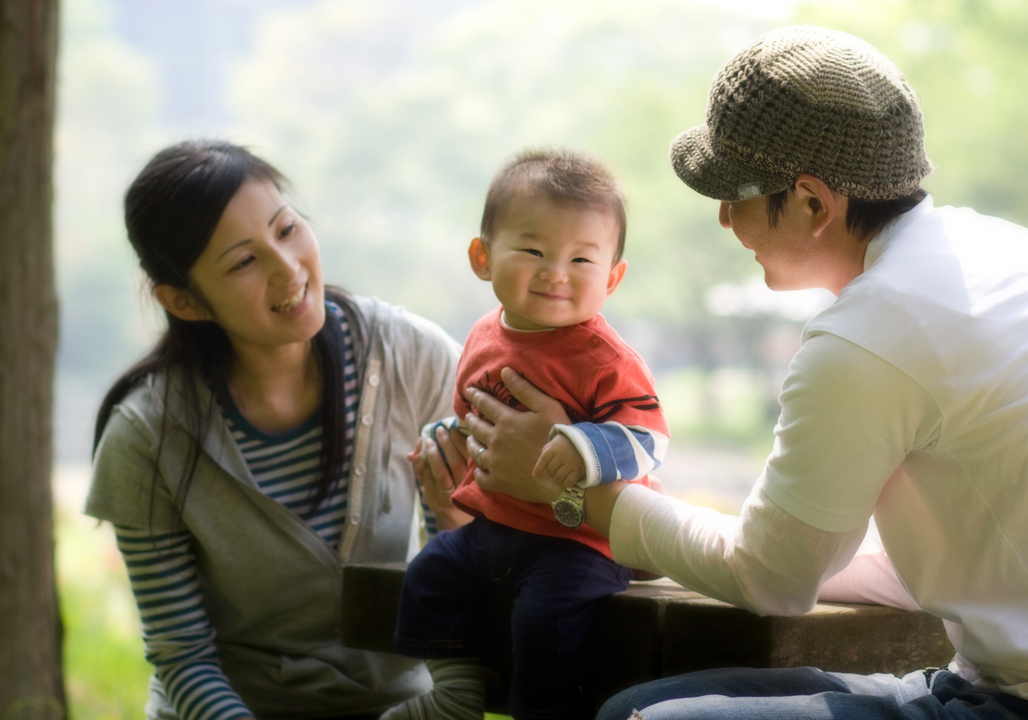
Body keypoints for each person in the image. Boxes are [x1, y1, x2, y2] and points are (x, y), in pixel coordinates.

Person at [423, 26, 1028, 720]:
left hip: (1001, 701)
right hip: (974, 677)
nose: (721, 218)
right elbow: (875, 564)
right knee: (637, 706)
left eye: (733, 191)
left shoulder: (869, 336)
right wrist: (666, 534)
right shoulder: (996, 249)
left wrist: (566, 492)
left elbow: (772, 580)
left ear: (811, 202)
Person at [85, 140, 465, 720]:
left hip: (400, 707)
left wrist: (454, 515)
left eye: (286, 229)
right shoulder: (146, 436)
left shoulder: (411, 356)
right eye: (243, 261)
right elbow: (183, 659)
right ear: (185, 301)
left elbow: (463, 580)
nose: (288, 269)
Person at [386, 149, 669, 720]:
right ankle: (455, 690)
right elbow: (476, 413)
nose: (555, 272)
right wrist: (455, 435)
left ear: (612, 277)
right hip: (493, 529)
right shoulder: (483, 335)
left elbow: (649, 438)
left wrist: (581, 445)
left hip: (577, 540)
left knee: (547, 621)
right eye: (534, 250)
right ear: (483, 257)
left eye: (582, 259)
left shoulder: (603, 358)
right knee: (430, 573)